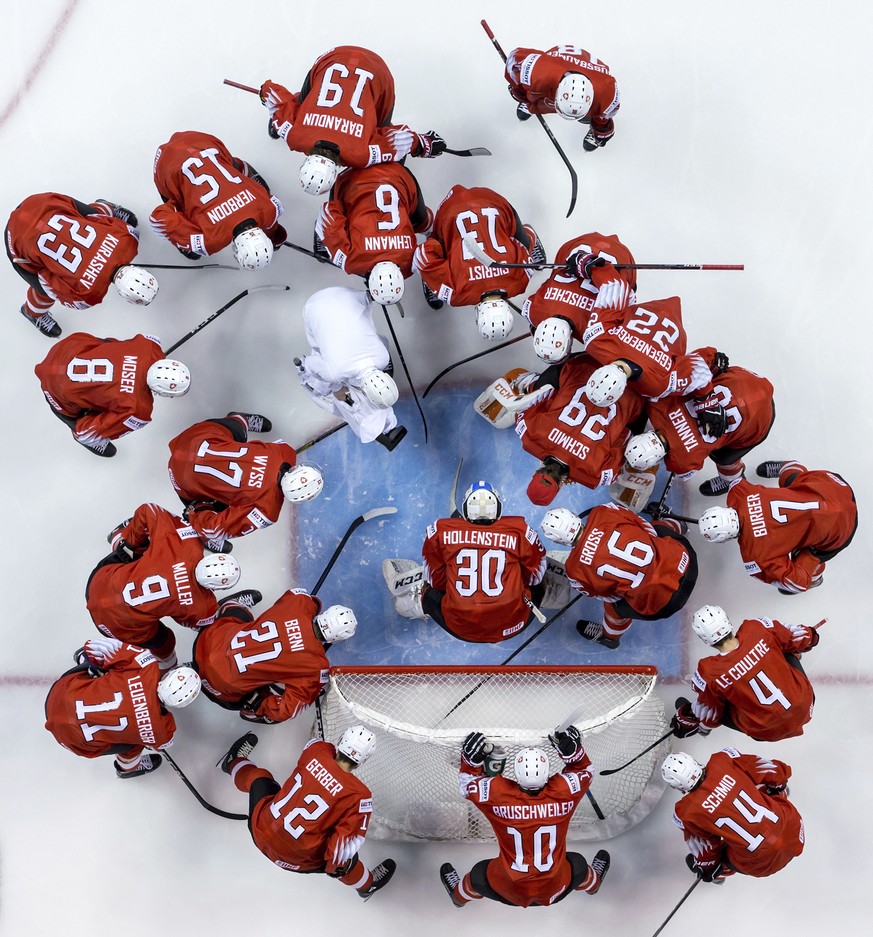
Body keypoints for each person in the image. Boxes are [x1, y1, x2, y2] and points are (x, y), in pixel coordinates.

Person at [439, 726, 610, 907]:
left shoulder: (498, 794)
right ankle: (594, 884)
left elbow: (467, 783)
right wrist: (574, 754)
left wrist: (470, 762)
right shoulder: (563, 791)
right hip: (555, 887)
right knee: (578, 864)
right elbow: (586, 771)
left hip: (510, 890)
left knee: (477, 876)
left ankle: (458, 896)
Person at [218, 727, 396, 899]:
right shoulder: (360, 796)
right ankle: (367, 885)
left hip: (262, 830)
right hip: (297, 859)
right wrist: (337, 868)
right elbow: (339, 851)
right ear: (363, 760)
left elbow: (320, 746)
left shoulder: (316, 750)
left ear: (342, 741)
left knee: (260, 779)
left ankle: (233, 762)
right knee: (345, 859)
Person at [86, 502, 253, 670]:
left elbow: (148, 510)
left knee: (140, 548)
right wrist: (221, 613)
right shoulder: (203, 605)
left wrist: (129, 544)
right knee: (166, 641)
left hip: (99, 582)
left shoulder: (186, 545)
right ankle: (168, 669)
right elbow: (200, 625)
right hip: (116, 625)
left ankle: (119, 538)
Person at [259, 45, 445, 196]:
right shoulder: (295, 135)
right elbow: (273, 94)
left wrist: (424, 144)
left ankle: (301, 105)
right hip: (333, 58)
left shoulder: (361, 154)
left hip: (378, 71)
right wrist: (267, 99)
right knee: (296, 108)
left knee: (382, 133)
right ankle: (299, 105)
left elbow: (396, 140)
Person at [383, 481, 548, 643]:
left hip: (461, 626)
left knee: (431, 591)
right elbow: (535, 577)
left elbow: (437, 581)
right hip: (514, 623)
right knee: (540, 584)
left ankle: (415, 603)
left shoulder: (440, 531)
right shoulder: (521, 530)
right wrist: (513, 580)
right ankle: (555, 594)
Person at [477, 354, 646, 504]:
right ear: (534, 474)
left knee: (638, 452)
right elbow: (539, 399)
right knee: (531, 395)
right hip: (588, 361)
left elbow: (625, 443)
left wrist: (576, 467)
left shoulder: (595, 475)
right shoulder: (529, 437)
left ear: (559, 487)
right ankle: (524, 381)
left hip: (637, 389)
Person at [540, 503, 698, 648]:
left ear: (560, 542)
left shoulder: (574, 572)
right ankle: (679, 524)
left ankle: (610, 638)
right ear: (575, 517)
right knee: (657, 529)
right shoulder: (604, 511)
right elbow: (647, 530)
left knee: (614, 608)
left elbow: (612, 597)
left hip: (666, 604)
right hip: (688, 563)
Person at [44, 636, 200, 779]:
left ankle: (85, 662)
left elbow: (95, 647)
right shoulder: (162, 731)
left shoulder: (144, 665)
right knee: (136, 743)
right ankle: (127, 767)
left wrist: (92, 659)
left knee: (109, 665)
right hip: (72, 741)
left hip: (58, 697)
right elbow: (161, 744)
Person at [6, 192, 157, 338]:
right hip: (17, 238)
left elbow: (97, 219)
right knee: (43, 291)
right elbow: (46, 281)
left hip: (42, 203)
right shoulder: (88, 295)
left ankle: (107, 207)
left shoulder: (129, 240)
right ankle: (32, 312)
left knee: (91, 214)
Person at [167, 412, 323, 552]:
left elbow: (261, 452)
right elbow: (216, 527)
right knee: (216, 512)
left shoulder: (285, 451)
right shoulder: (267, 510)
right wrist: (196, 514)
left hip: (192, 439)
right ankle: (202, 533)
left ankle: (241, 420)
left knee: (236, 432)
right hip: (182, 480)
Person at [194, 589, 357, 724]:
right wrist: (261, 704)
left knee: (240, 616)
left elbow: (310, 600)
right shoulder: (316, 668)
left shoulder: (298, 603)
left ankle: (232, 607)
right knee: (270, 703)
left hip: (207, 641)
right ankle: (252, 710)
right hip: (219, 688)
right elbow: (287, 710)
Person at [698, 460, 858, 594]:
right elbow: (736, 483)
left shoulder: (756, 555)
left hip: (841, 531)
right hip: (833, 487)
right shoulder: (739, 494)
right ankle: (787, 467)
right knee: (793, 480)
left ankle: (815, 577)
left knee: (807, 557)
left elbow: (797, 583)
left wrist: (806, 558)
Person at [412, 184, 545, 341]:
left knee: (525, 242)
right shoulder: (457, 295)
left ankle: (530, 235)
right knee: (435, 254)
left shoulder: (520, 282)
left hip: (491, 200)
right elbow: (421, 256)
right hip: (451, 209)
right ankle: (433, 282)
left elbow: (519, 245)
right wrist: (432, 275)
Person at [671, 605, 819, 742]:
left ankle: (700, 727)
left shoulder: (708, 671)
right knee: (782, 642)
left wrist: (695, 716)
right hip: (805, 705)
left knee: (712, 698)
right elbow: (799, 638)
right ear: (727, 622)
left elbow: (712, 716)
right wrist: (812, 636)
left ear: (704, 638)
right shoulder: (756, 628)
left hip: (769, 731)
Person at [623, 364, 776, 496]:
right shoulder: (658, 404)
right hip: (743, 381)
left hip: (758, 419)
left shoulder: (683, 460)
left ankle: (731, 480)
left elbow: (685, 468)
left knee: (723, 457)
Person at [34, 332, 190, 458]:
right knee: (89, 430)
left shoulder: (150, 346)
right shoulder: (138, 409)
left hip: (65, 349)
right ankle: (79, 434)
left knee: (111, 346)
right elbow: (100, 427)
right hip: (56, 390)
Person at [150, 129, 286, 268]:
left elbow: (270, 221)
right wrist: (184, 239)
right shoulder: (210, 241)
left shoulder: (270, 209)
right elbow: (158, 218)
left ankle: (245, 170)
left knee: (232, 170)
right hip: (166, 163)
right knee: (185, 221)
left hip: (203, 142)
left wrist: (275, 237)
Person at [661, 749, 804, 881]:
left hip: (763, 863)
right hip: (794, 827)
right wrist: (779, 784)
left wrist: (708, 868)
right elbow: (770, 769)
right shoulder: (722, 760)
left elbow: (706, 850)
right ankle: (779, 794)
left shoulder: (686, 812)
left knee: (713, 862)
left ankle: (723, 872)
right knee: (766, 789)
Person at [295, 286, 406, 449]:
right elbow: (310, 363)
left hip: (350, 295)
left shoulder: (382, 357)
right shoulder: (334, 372)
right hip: (313, 306)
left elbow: (382, 340)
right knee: (319, 353)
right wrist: (335, 386)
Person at [314, 162, 433, 300]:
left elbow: (433, 250)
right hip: (353, 176)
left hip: (399, 174)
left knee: (422, 221)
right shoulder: (350, 260)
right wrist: (329, 240)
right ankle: (322, 237)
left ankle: (430, 234)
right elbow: (328, 212)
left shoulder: (412, 263)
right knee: (335, 220)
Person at [582, 296, 724, 406]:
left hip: (676, 332)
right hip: (648, 311)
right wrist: (591, 266)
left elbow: (697, 369)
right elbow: (615, 287)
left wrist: (708, 402)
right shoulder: (595, 342)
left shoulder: (655, 387)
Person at [522, 232, 637, 363]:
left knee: (626, 301)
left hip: (620, 255)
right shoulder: (533, 312)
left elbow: (619, 289)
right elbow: (536, 300)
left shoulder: (591, 332)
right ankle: (529, 238)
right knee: (555, 274)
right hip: (574, 246)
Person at [505, 44, 620, 151]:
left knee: (601, 115)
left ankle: (531, 100)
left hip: (590, 73)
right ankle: (530, 103)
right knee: (532, 90)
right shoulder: (539, 72)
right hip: (558, 61)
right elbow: (515, 57)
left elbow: (604, 116)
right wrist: (521, 91)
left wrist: (601, 133)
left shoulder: (607, 95)